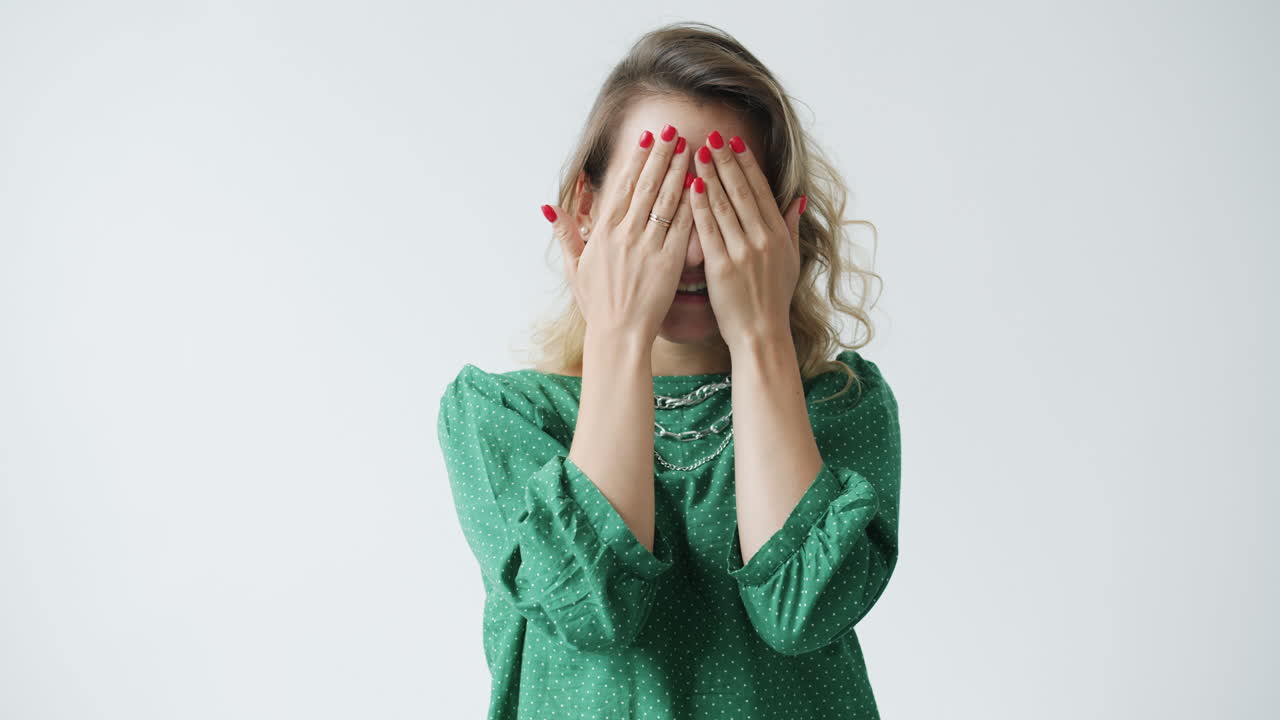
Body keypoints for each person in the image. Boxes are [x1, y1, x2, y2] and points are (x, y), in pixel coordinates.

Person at [436, 21, 900, 720]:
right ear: (586, 212)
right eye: (654, 204)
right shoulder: (502, 418)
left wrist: (761, 335)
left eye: (726, 206)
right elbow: (594, 610)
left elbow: (801, 610)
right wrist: (618, 331)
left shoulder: (840, 405)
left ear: (782, 225)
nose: (692, 253)